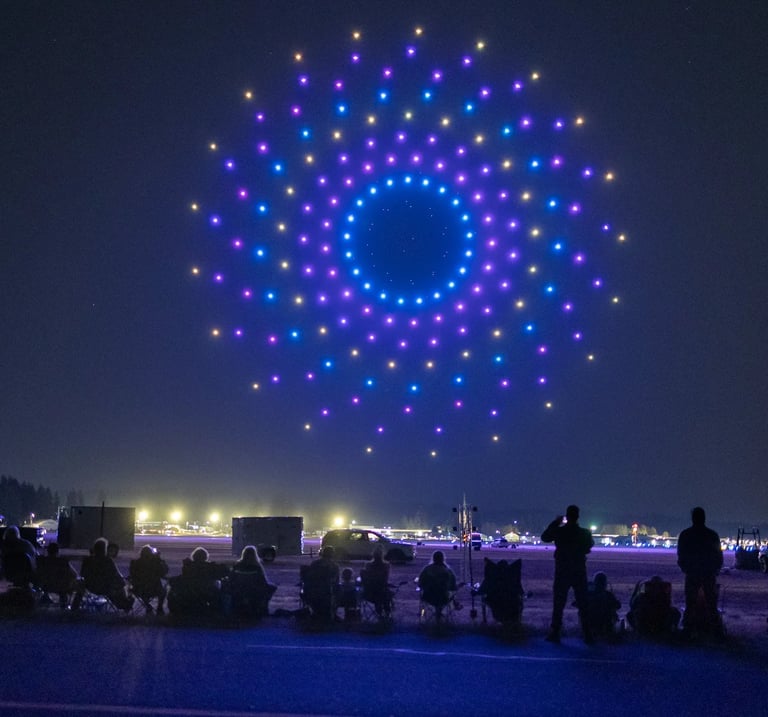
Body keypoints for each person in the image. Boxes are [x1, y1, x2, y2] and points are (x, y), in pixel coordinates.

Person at [540, 505, 595, 643]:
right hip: (579, 571)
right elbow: (589, 546)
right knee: (583, 604)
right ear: (578, 517)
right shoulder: (584, 533)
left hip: (562, 570)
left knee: (558, 604)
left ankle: (555, 633)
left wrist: (556, 523)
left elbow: (545, 537)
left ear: (567, 516)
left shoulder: (560, 532)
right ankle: (587, 634)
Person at [677, 507, 723, 635]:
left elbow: (681, 555)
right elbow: (718, 556)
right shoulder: (712, 535)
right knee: (711, 604)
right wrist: (715, 569)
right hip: (708, 573)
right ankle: (715, 631)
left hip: (692, 573)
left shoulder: (686, 535)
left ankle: (688, 630)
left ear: (693, 518)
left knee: (690, 603)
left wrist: (686, 568)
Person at [72, 537, 134, 611]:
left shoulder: (87, 560)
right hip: (105, 588)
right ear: (105, 549)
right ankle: (124, 603)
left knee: (81, 584)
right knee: (119, 583)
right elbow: (114, 574)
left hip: (90, 587)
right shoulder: (108, 561)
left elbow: (82, 573)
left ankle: (75, 606)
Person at [167, 546, 229, 616]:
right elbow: (224, 571)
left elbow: (183, 577)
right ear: (205, 557)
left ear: (194, 557)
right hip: (206, 592)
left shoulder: (189, 567)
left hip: (190, 592)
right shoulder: (209, 567)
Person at [225, 545, 276, 618]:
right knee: (272, 587)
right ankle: (262, 607)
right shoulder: (257, 567)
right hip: (253, 591)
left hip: (238, 591)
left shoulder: (237, 566)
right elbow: (263, 581)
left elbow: (231, 579)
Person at [300, 546, 340, 621]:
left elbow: (309, 577)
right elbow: (336, 580)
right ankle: (332, 613)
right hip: (326, 592)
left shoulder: (315, 563)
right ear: (332, 554)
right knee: (338, 591)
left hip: (312, 591)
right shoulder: (334, 566)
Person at [35, 542, 78, 608]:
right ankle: (64, 605)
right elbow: (74, 574)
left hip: (44, 585)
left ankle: (45, 597)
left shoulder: (41, 561)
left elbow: (37, 572)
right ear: (57, 551)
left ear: (48, 551)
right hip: (61, 587)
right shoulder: (63, 562)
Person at [129, 545, 169, 615]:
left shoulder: (135, 563)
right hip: (155, 590)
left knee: (141, 588)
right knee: (164, 590)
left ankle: (147, 605)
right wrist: (159, 559)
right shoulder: (155, 563)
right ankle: (159, 607)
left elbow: (132, 575)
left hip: (139, 590)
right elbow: (164, 572)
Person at [417, 550, 458, 619]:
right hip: (443, 598)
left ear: (433, 558)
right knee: (451, 596)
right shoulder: (448, 571)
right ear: (443, 559)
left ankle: (431, 615)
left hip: (428, 597)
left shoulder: (427, 569)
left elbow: (420, 583)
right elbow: (453, 586)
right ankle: (440, 613)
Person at [582, 571, 621, 638]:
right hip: (602, 621)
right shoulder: (608, 595)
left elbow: (617, 605)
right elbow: (618, 605)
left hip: (594, 621)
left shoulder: (589, 594)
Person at [360, 547, 393, 618]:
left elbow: (364, 579)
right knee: (386, 593)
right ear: (382, 555)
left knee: (381, 592)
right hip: (381, 593)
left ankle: (380, 612)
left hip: (368, 593)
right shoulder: (386, 566)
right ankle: (387, 612)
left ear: (373, 555)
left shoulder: (368, 565)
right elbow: (385, 580)